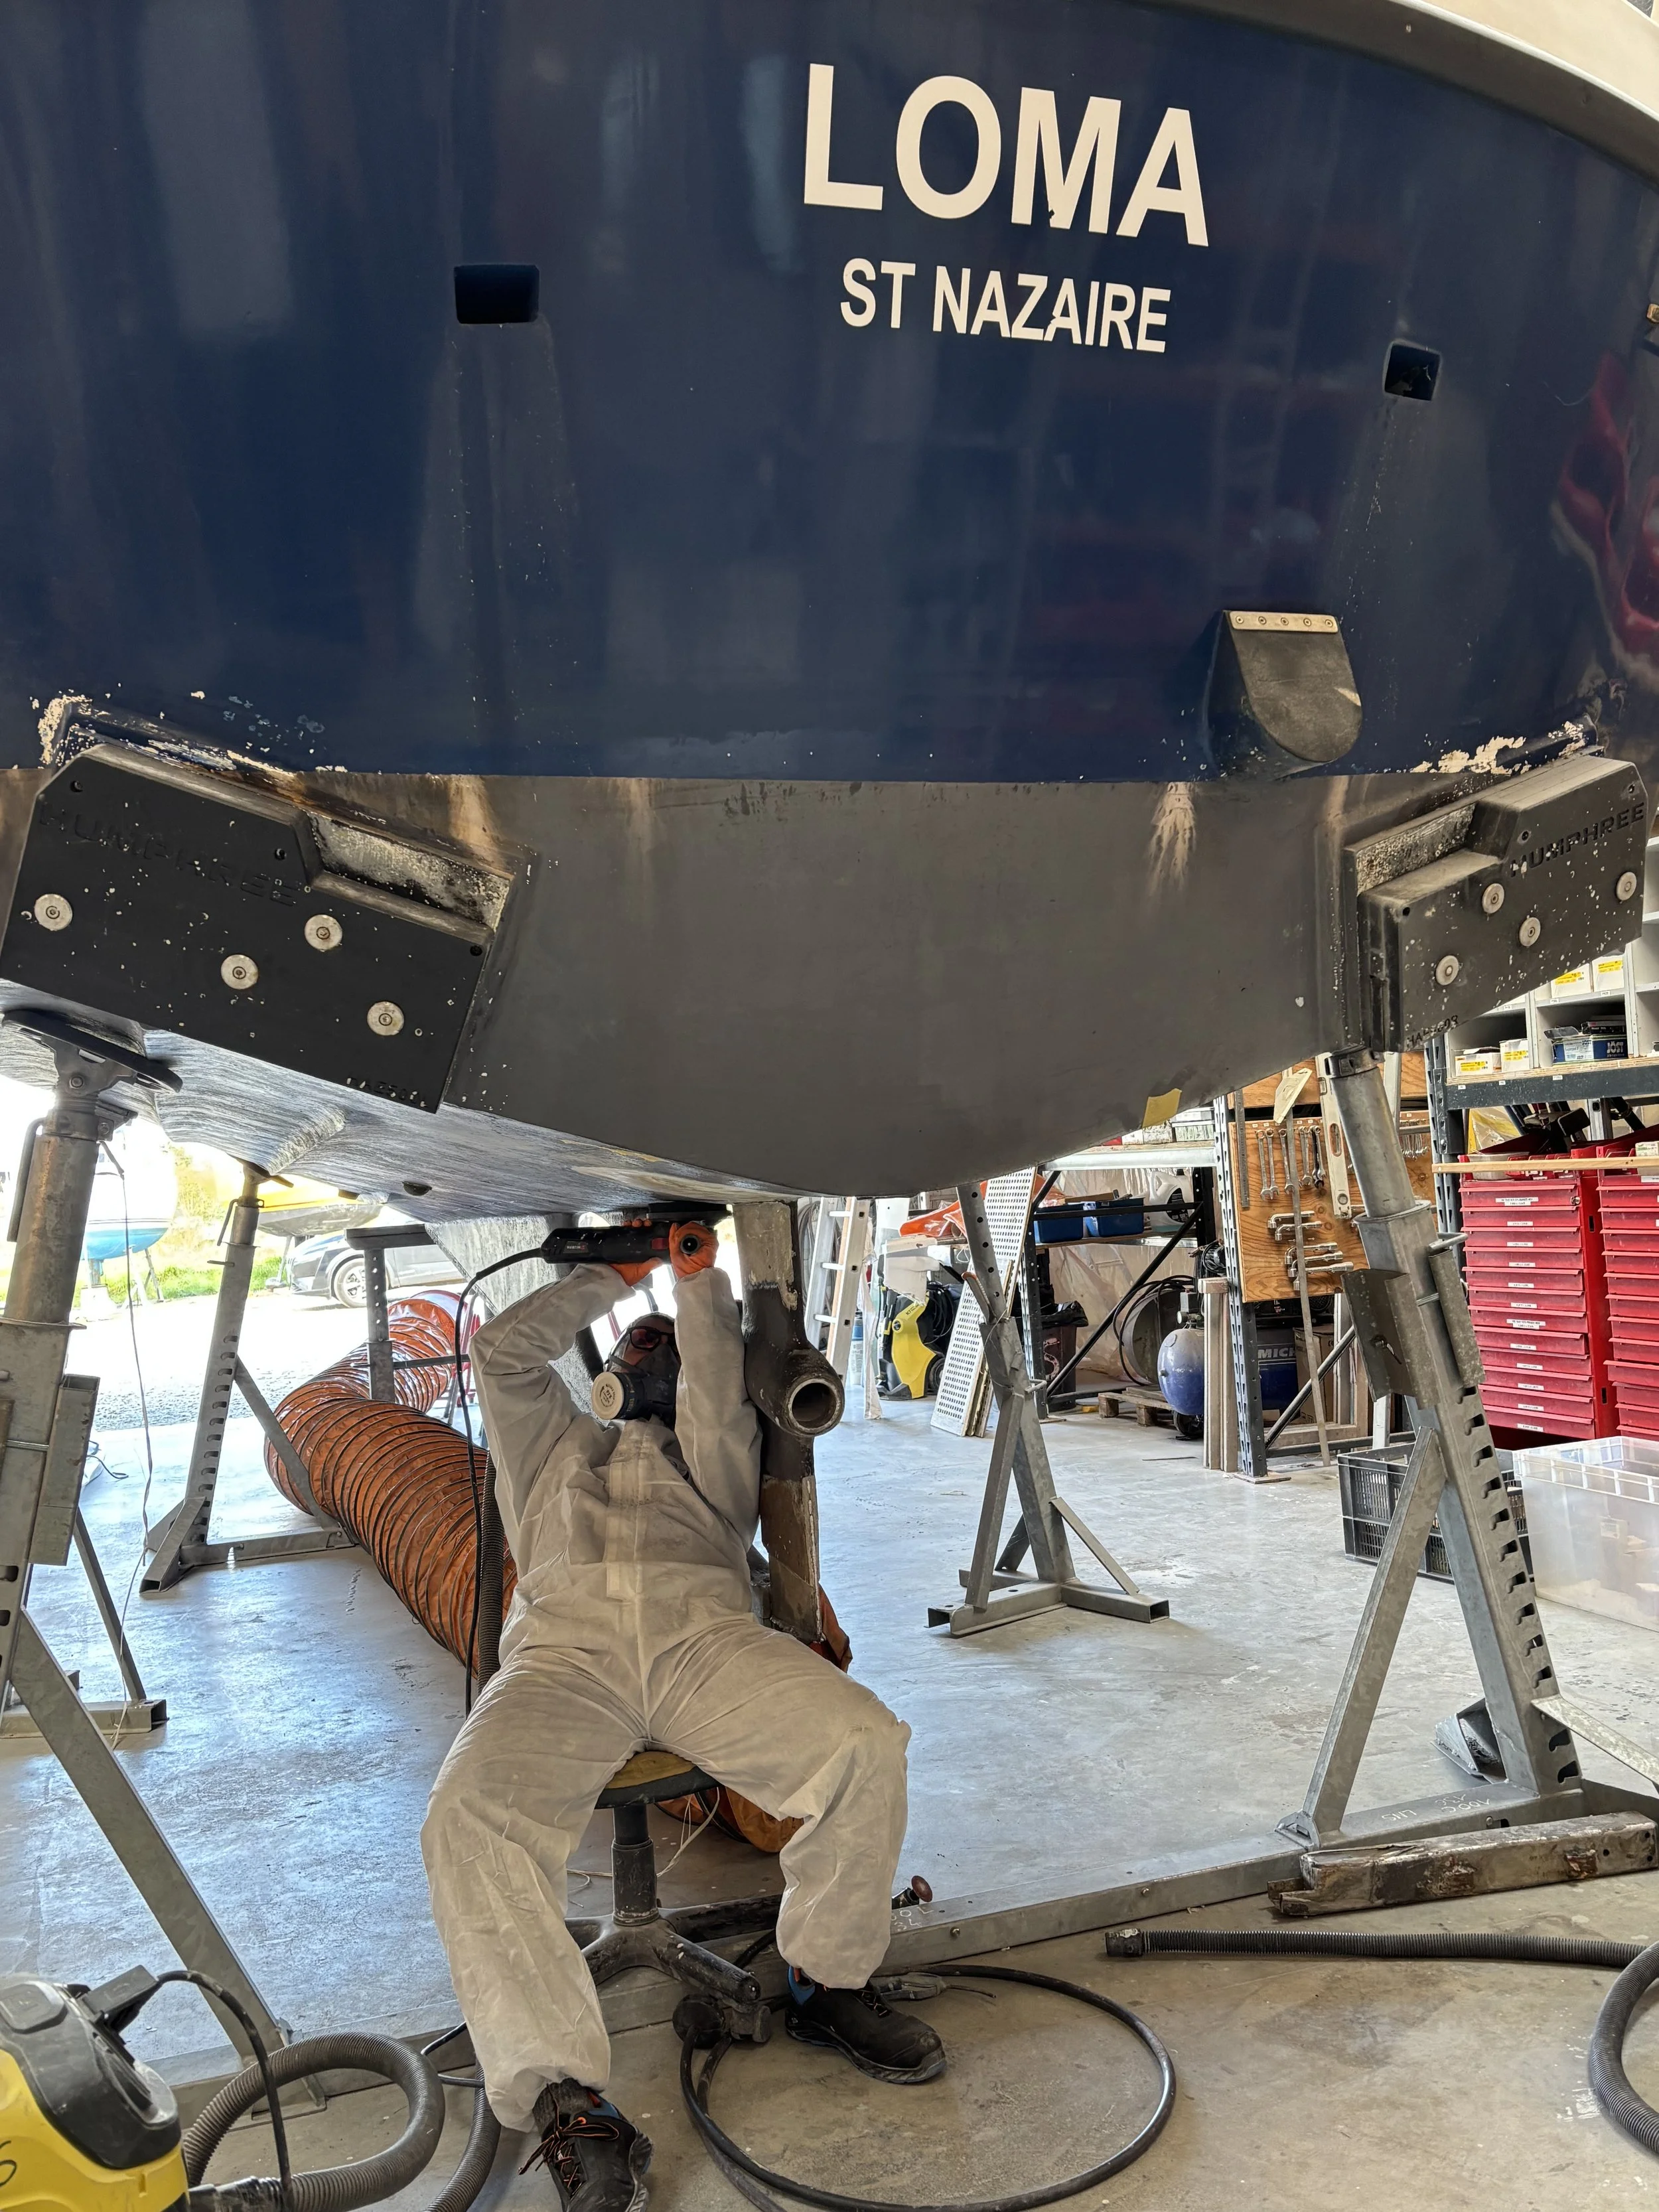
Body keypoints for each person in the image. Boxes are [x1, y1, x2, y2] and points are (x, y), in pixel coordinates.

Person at [421, 1220, 943, 2212]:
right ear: (607, 1372)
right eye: (637, 1341)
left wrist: (700, 1286)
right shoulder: (550, 1449)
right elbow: (502, 1353)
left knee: (862, 1744)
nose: (653, 1354)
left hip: (704, 1644)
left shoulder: (715, 1458)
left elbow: (711, 1385)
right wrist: (617, 1274)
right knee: (466, 1818)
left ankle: (825, 1980)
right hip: (564, 1660)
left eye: (665, 1348)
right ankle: (570, 2100)